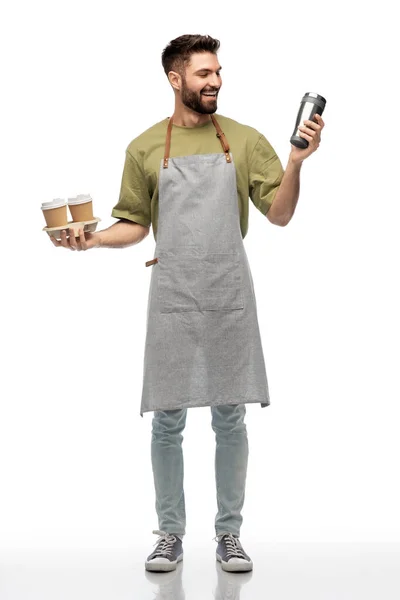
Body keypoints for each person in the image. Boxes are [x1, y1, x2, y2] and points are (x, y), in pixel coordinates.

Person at [50, 34, 324, 574]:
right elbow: (134, 222)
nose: (215, 81)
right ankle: (169, 533)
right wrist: (95, 239)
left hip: (228, 293)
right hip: (173, 293)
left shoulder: (244, 141)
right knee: (166, 421)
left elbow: (281, 215)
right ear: (175, 79)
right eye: (203, 74)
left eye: (217, 72)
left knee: (231, 417)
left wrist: (296, 161)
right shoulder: (146, 147)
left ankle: (229, 534)